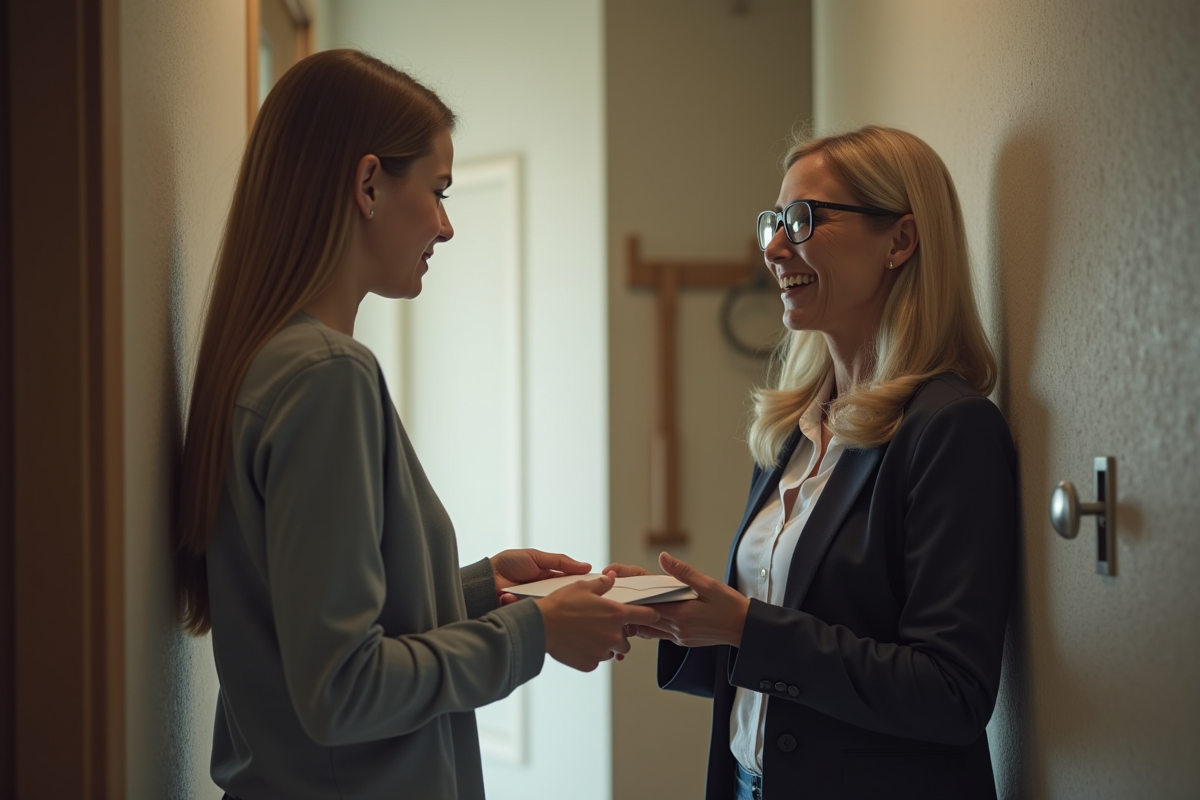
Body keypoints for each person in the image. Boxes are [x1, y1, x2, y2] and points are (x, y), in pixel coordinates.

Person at [173, 49, 658, 800]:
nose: (446, 225)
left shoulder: (265, 360)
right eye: (437, 191)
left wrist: (480, 588)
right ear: (368, 184)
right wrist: (536, 633)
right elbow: (344, 690)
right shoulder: (327, 375)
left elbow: (313, 624)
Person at [607, 125, 1017, 799]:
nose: (773, 247)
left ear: (900, 241)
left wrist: (744, 626)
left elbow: (951, 693)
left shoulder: (952, 429)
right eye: (773, 221)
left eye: (803, 219)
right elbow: (784, 651)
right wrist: (678, 613)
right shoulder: (792, 431)